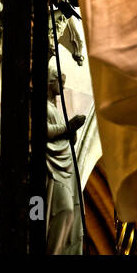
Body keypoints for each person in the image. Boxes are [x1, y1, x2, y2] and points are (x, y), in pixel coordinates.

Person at [46, 59, 86, 254]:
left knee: (73, 213)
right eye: (59, 81)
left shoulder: (56, 109)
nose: (63, 86)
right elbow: (39, 130)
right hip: (53, 166)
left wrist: (72, 130)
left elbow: (67, 138)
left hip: (65, 164)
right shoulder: (40, 107)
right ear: (49, 82)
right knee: (64, 210)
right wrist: (67, 127)